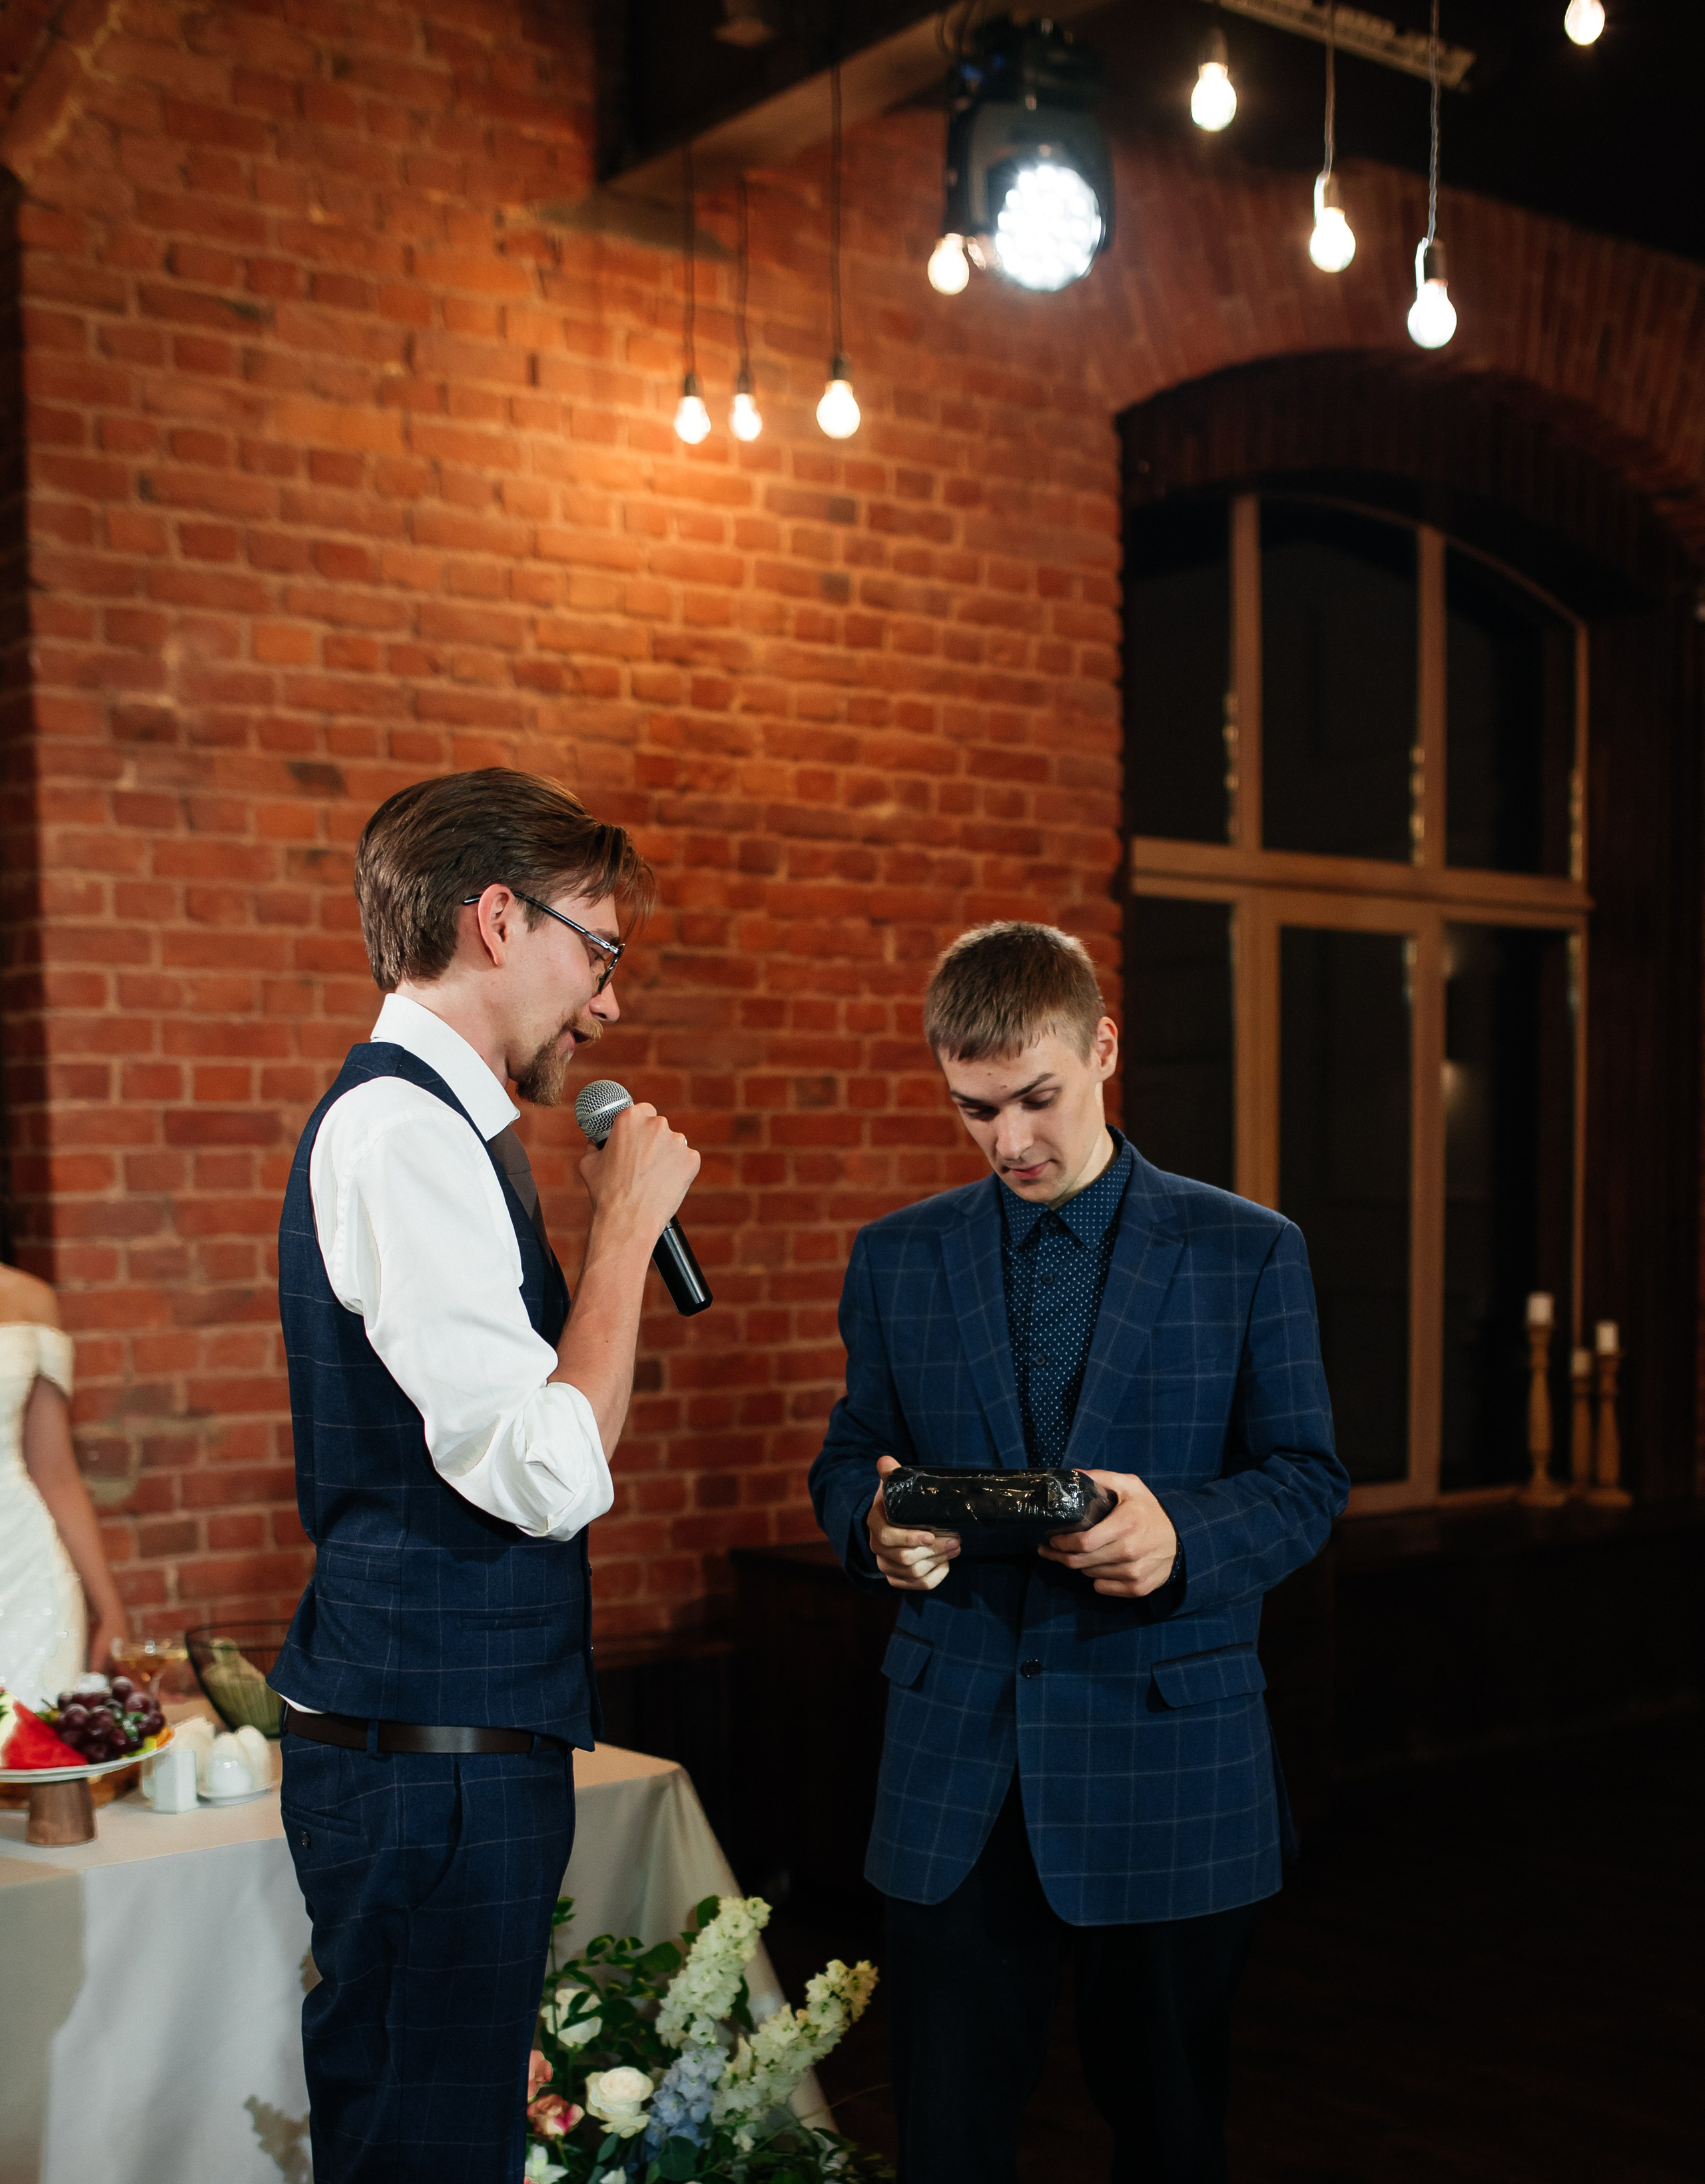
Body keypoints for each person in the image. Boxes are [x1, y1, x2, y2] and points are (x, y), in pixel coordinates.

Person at [809, 921, 1348, 2184]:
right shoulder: (897, 1257)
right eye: (974, 1109)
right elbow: (852, 1455)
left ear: (1103, 1047)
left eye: (1038, 1099)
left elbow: (1308, 1479)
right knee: (944, 2145)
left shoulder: (1249, 1249)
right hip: (956, 1779)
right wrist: (873, 1528)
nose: (1009, 1143)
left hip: (1171, 1762)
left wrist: (1182, 1535)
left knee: (1170, 2138)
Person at [268, 769, 699, 2184]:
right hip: (426, 1762)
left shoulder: (447, 1128)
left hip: (447, 1747)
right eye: (601, 947)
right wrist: (625, 1231)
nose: (608, 1001)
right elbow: (540, 1468)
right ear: (499, 917)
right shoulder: (401, 1132)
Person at [0, 1262, 127, 1706]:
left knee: (48, 1756)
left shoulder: (29, 1297)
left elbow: (55, 1472)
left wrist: (108, 1608)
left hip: (28, 1575)